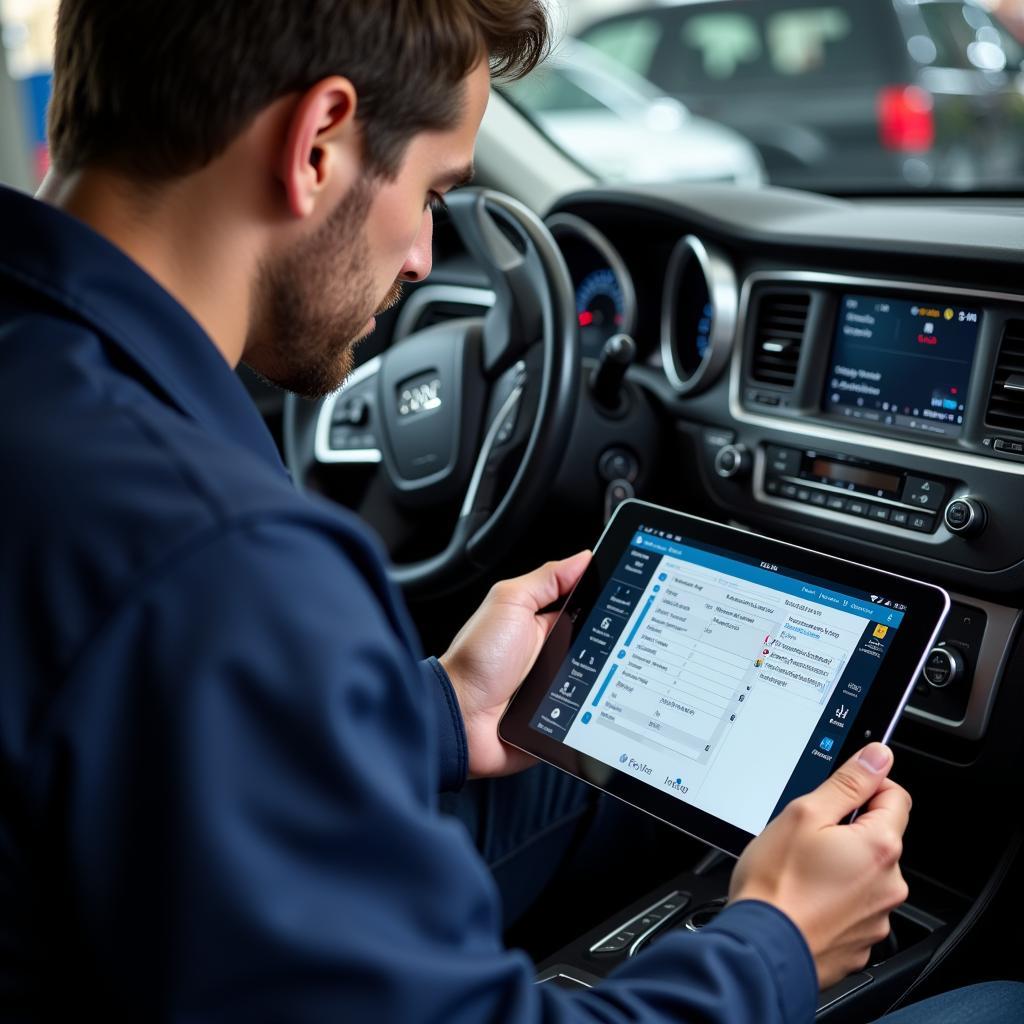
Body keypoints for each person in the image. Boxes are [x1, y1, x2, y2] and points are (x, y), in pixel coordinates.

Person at [0, 2, 1021, 1021]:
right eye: (436, 191)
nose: (417, 258)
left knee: (611, 780)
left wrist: (439, 708)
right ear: (317, 142)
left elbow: (156, 745)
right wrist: (776, 944)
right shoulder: (224, 553)